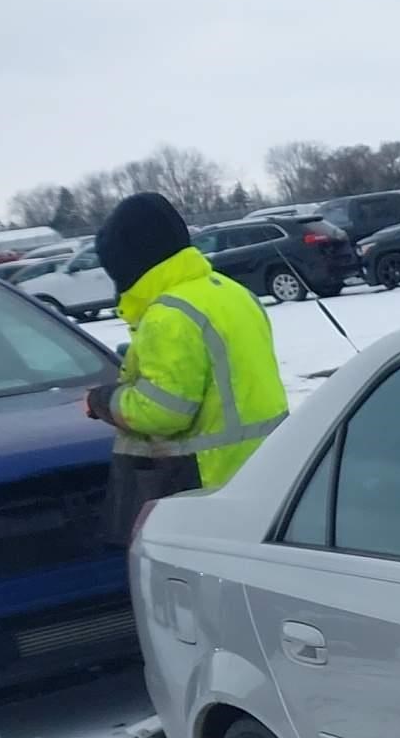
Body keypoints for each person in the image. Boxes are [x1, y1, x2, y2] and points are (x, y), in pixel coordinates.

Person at [85, 192, 288, 544]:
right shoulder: (229, 292)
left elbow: (164, 412)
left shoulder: (168, 315)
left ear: (130, 261)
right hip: (270, 468)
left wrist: (102, 401)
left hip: (207, 482)